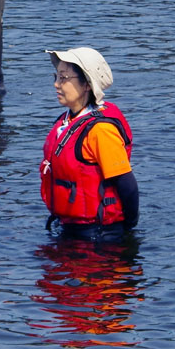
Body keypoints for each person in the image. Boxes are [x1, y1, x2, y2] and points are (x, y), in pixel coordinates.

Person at [40, 47, 139, 243]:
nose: (56, 85)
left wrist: (128, 228)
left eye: (64, 78)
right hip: (71, 227)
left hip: (99, 236)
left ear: (86, 84)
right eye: (56, 77)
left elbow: (127, 186)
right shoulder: (67, 121)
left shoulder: (101, 131)